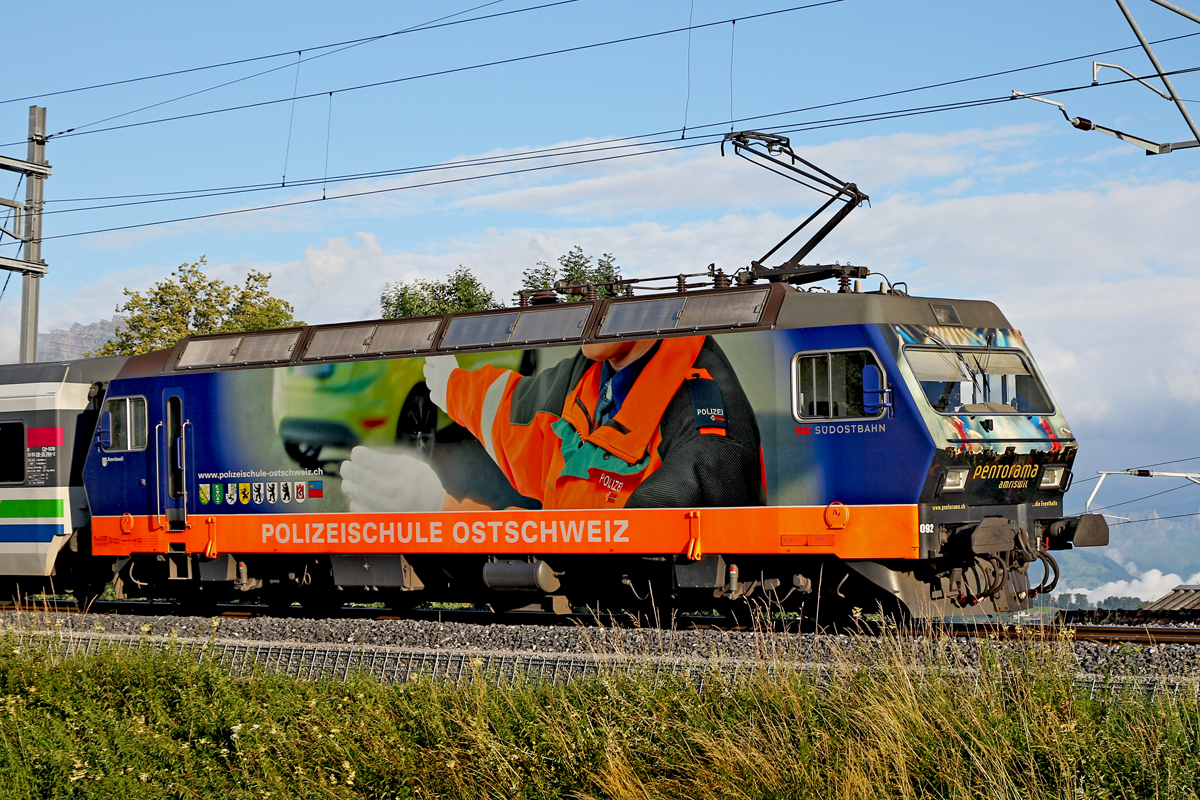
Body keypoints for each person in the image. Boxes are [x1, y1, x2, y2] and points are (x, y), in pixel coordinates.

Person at [340, 335, 764, 512]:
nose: (580, 319)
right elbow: (512, 413)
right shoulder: (585, 373)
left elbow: (607, 549)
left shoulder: (706, 425)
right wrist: (451, 385)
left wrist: (439, 510)